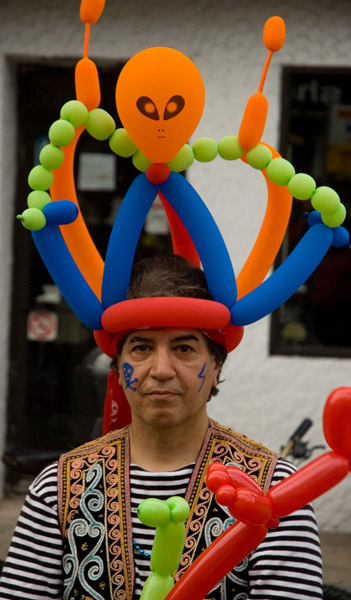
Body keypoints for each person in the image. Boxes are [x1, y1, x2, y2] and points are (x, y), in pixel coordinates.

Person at [0, 255, 323, 600]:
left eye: (184, 348)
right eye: (141, 348)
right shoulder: (58, 489)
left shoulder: (274, 493)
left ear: (216, 365)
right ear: (118, 367)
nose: (162, 369)